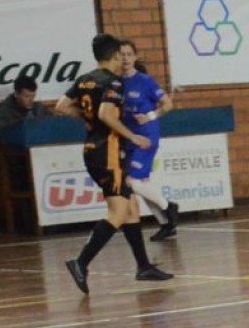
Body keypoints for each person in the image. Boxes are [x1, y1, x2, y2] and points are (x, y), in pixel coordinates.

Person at [55, 34, 173, 294]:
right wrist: (132, 136)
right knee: (118, 211)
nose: (124, 59)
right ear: (115, 56)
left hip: (92, 147)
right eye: (121, 55)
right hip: (108, 151)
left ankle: (143, 266)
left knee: (131, 207)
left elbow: (61, 106)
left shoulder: (85, 79)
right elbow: (105, 113)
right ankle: (81, 262)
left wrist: (88, 120)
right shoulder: (113, 82)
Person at [118, 42, 180, 241]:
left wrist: (151, 115)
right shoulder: (117, 83)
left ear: (135, 57)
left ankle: (168, 207)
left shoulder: (145, 81)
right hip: (130, 137)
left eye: (129, 54)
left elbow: (168, 104)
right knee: (143, 182)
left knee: (132, 182)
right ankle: (166, 224)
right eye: (122, 55)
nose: (126, 59)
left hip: (146, 137)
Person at [0, 75, 46, 143]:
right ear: (16, 94)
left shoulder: (39, 108)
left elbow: (52, 125)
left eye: (33, 96)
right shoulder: (3, 111)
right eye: (26, 96)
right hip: (16, 150)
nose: (31, 100)